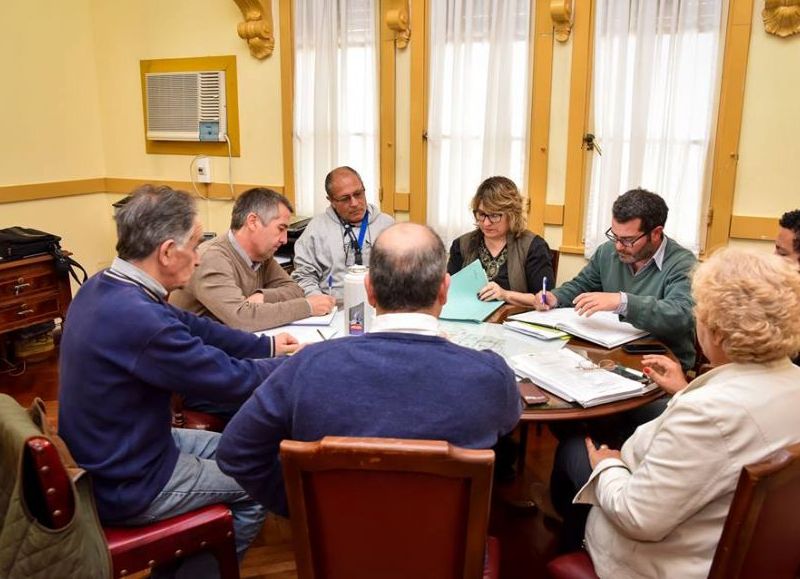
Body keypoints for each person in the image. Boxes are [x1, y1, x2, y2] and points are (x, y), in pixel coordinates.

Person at [58, 185, 299, 578]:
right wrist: (298, 366)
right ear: (168, 251)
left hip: (123, 448)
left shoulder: (108, 285)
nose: (201, 256)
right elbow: (230, 381)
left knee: (241, 451)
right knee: (259, 481)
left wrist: (268, 345)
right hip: (128, 480)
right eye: (195, 243)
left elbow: (197, 327)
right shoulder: (139, 319)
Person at [217, 222, 522, 514]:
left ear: (369, 290)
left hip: (334, 554)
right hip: (447, 558)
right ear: (445, 289)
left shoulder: (306, 366)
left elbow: (236, 451)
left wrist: (303, 506)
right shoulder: (490, 377)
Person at [552, 248, 800, 578]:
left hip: (665, 559)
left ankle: (574, 543)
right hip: (737, 541)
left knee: (574, 447)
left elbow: (638, 518)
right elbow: (745, 426)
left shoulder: (705, 415)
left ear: (717, 331)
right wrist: (683, 390)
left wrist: (609, 464)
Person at [534, 188, 697, 370]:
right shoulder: (607, 251)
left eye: (628, 240)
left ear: (656, 233)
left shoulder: (683, 263)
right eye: (615, 236)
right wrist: (555, 297)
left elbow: (682, 314)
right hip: (611, 357)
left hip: (665, 366)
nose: (618, 246)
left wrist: (623, 302)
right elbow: (582, 285)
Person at [170, 187, 335, 331]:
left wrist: (263, 296)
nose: (285, 239)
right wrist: (307, 307)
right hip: (200, 355)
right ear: (253, 222)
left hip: (234, 347)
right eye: (280, 228)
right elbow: (242, 318)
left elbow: (295, 290)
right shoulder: (211, 258)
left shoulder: (262, 255)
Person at [448, 176, 554, 307]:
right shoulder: (462, 244)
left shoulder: (533, 246)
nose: (486, 223)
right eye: (481, 214)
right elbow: (450, 292)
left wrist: (505, 294)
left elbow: (544, 299)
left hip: (513, 322)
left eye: (494, 215)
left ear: (512, 214)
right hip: (468, 321)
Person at [291, 166, 394, 300]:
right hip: (333, 309)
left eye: (358, 194)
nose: (354, 203)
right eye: (345, 199)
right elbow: (303, 275)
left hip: (380, 306)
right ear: (332, 201)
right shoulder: (316, 228)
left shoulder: (387, 225)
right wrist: (317, 300)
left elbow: (401, 273)